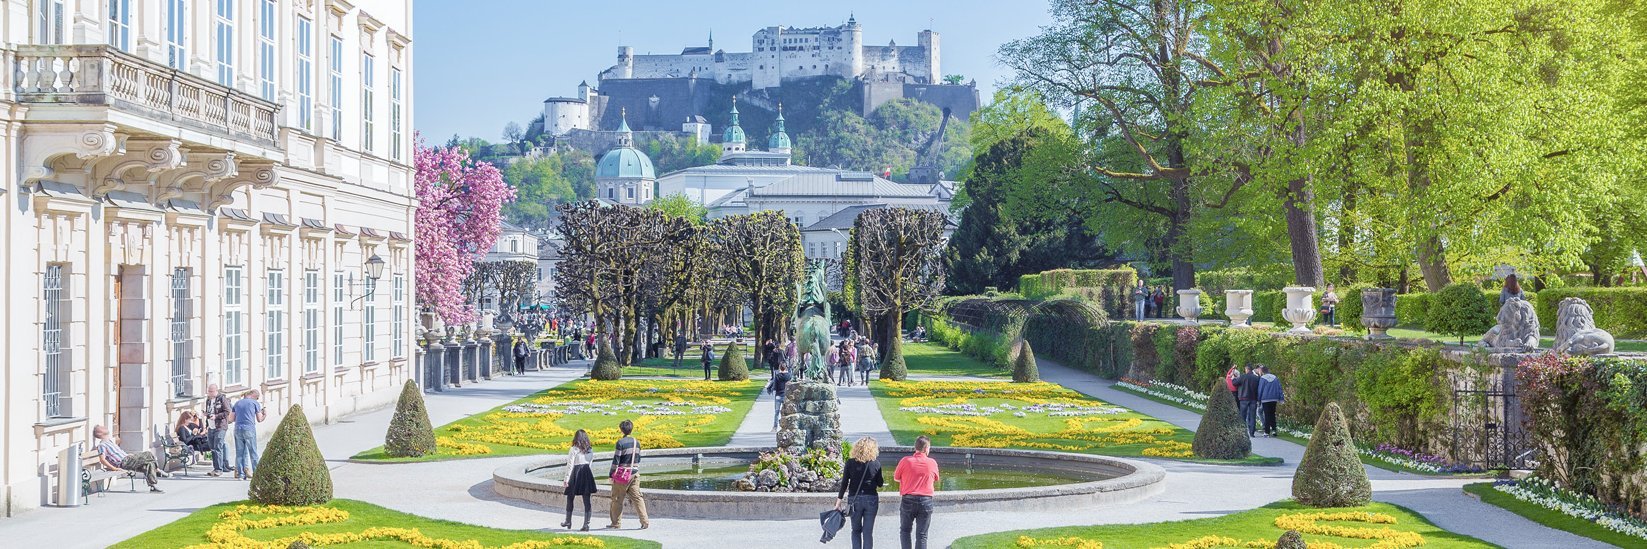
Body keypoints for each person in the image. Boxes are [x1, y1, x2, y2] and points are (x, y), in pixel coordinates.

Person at [838, 436, 886, 549]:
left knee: (855, 530)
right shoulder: (876, 464)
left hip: (854, 499)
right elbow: (880, 483)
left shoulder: (850, 463)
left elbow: (844, 483)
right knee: (868, 532)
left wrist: (838, 501)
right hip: (871, 499)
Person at [894, 435, 940, 549]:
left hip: (908, 499)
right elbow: (936, 478)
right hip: (925, 501)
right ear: (926, 448)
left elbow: (896, 477)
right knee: (922, 535)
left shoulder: (905, 461)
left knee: (905, 531)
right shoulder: (932, 462)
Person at [93, 425, 166, 493]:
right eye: (102, 428)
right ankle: (158, 470)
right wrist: (115, 469)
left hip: (128, 459)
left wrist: (128, 455)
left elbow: (118, 453)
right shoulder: (101, 445)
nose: (104, 427)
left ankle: (153, 487)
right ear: (99, 433)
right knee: (148, 454)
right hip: (124, 462)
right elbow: (102, 460)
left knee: (149, 464)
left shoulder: (110, 442)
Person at [607, 420, 649, 530]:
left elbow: (616, 461)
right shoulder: (637, 442)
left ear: (621, 430)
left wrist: (611, 475)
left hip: (622, 475)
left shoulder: (620, 443)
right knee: (637, 498)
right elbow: (638, 458)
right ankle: (645, 521)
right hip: (635, 473)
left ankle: (616, 523)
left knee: (617, 499)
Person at [561, 429, 597, 531]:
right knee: (587, 499)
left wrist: (566, 479)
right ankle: (586, 524)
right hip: (586, 472)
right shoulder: (589, 449)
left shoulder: (574, 449)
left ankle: (568, 520)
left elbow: (570, 465)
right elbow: (590, 463)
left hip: (576, 472)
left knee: (570, 496)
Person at [232, 389, 266, 480]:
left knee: (239, 453)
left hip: (237, 429)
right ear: (254, 395)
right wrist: (264, 414)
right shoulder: (255, 403)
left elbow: (231, 418)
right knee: (253, 452)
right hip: (249, 429)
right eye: (257, 398)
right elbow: (259, 419)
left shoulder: (237, 403)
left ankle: (240, 474)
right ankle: (256, 474)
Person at [203, 383, 232, 477]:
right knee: (212, 448)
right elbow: (210, 412)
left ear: (216, 391)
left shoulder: (222, 399)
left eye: (211, 391)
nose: (210, 393)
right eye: (208, 391)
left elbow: (227, 411)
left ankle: (219, 469)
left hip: (220, 426)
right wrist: (206, 416)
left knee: (217, 447)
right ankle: (215, 468)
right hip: (211, 427)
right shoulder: (208, 400)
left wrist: (216, 416)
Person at [1257, 366, 1285, 437]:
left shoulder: (1262, 379)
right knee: (1272, 414)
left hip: (1265, 399)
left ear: (1262, 372)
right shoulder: (1275, 378)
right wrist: (1281, 398)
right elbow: (1279, 388)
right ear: (1268, 370)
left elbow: (1260, 390)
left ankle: (1267, 432)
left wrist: (1259, 400)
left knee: (1267, 415)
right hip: (1274, 398)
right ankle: (1274, 430)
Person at [1235, 365, 1262, 438]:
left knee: (1243, 415)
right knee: (1252, 416)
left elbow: (1235, 383)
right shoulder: (1256, 378)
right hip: (1253, 398)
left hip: (1243, 398)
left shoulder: (1243, 377)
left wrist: (1233, 378)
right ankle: (1252, 432)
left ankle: (1242, 432)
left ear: (1246, 369)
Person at [766, 362, 791, 431]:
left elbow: (774, 385)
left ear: (780, 368)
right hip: (786, 395)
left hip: (778, 395)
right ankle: (786, 426)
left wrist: (771, 389)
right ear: (786, 368)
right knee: (786, 412)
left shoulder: (777, 376)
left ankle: (775, 427)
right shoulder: (789, 376)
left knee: (776, 412)